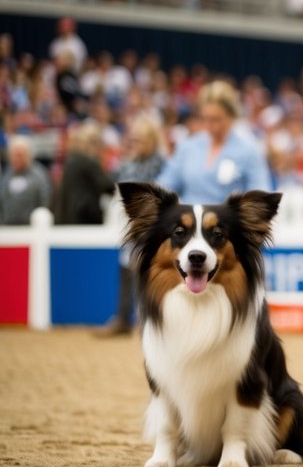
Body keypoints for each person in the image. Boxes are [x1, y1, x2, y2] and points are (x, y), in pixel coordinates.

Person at [97, 115, 166, 337]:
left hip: (155, 227)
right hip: (130, 226)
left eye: (141, 140)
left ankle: (148, 319)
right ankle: (123, 318)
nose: (136, 144)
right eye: (134, 139)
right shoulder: (126, 165)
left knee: (151, 273)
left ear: (152, 140)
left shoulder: (162, 164)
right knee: (127, 269)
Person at [157, 80, 272, 203]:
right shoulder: (188, 147)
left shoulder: (249, 151)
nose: (209, 125)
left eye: (216, 119)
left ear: (232, 117)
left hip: (227, 215)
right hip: (189, 213)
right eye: (205, 118)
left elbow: (260, 196)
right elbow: (164, 185)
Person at [54, 122, 111, 224]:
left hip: (65, 217)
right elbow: (107, 186)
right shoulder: (89, 162)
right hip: (84, 217)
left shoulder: (70, 162)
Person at [0, 135, 52, 225]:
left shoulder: (39, 175)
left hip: (31, 226)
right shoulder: (6, 175)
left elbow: (45, 200)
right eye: (14, 155)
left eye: (20, 155)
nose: (17, 159)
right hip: (8, 226)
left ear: (29, 155)